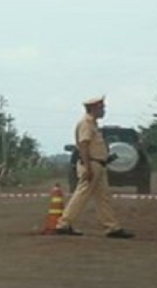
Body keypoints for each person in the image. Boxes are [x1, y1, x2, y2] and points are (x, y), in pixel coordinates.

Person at [55, 95, 134, 239]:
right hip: (92, 164)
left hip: (98, 164)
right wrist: (87, 167)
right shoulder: (86, 123)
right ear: (93, 108)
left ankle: (112, 227)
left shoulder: (92, 123)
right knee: (82, 195)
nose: (104, 110)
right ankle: (63, 224)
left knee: (103, 197)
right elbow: (84, 146)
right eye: (101, 108)